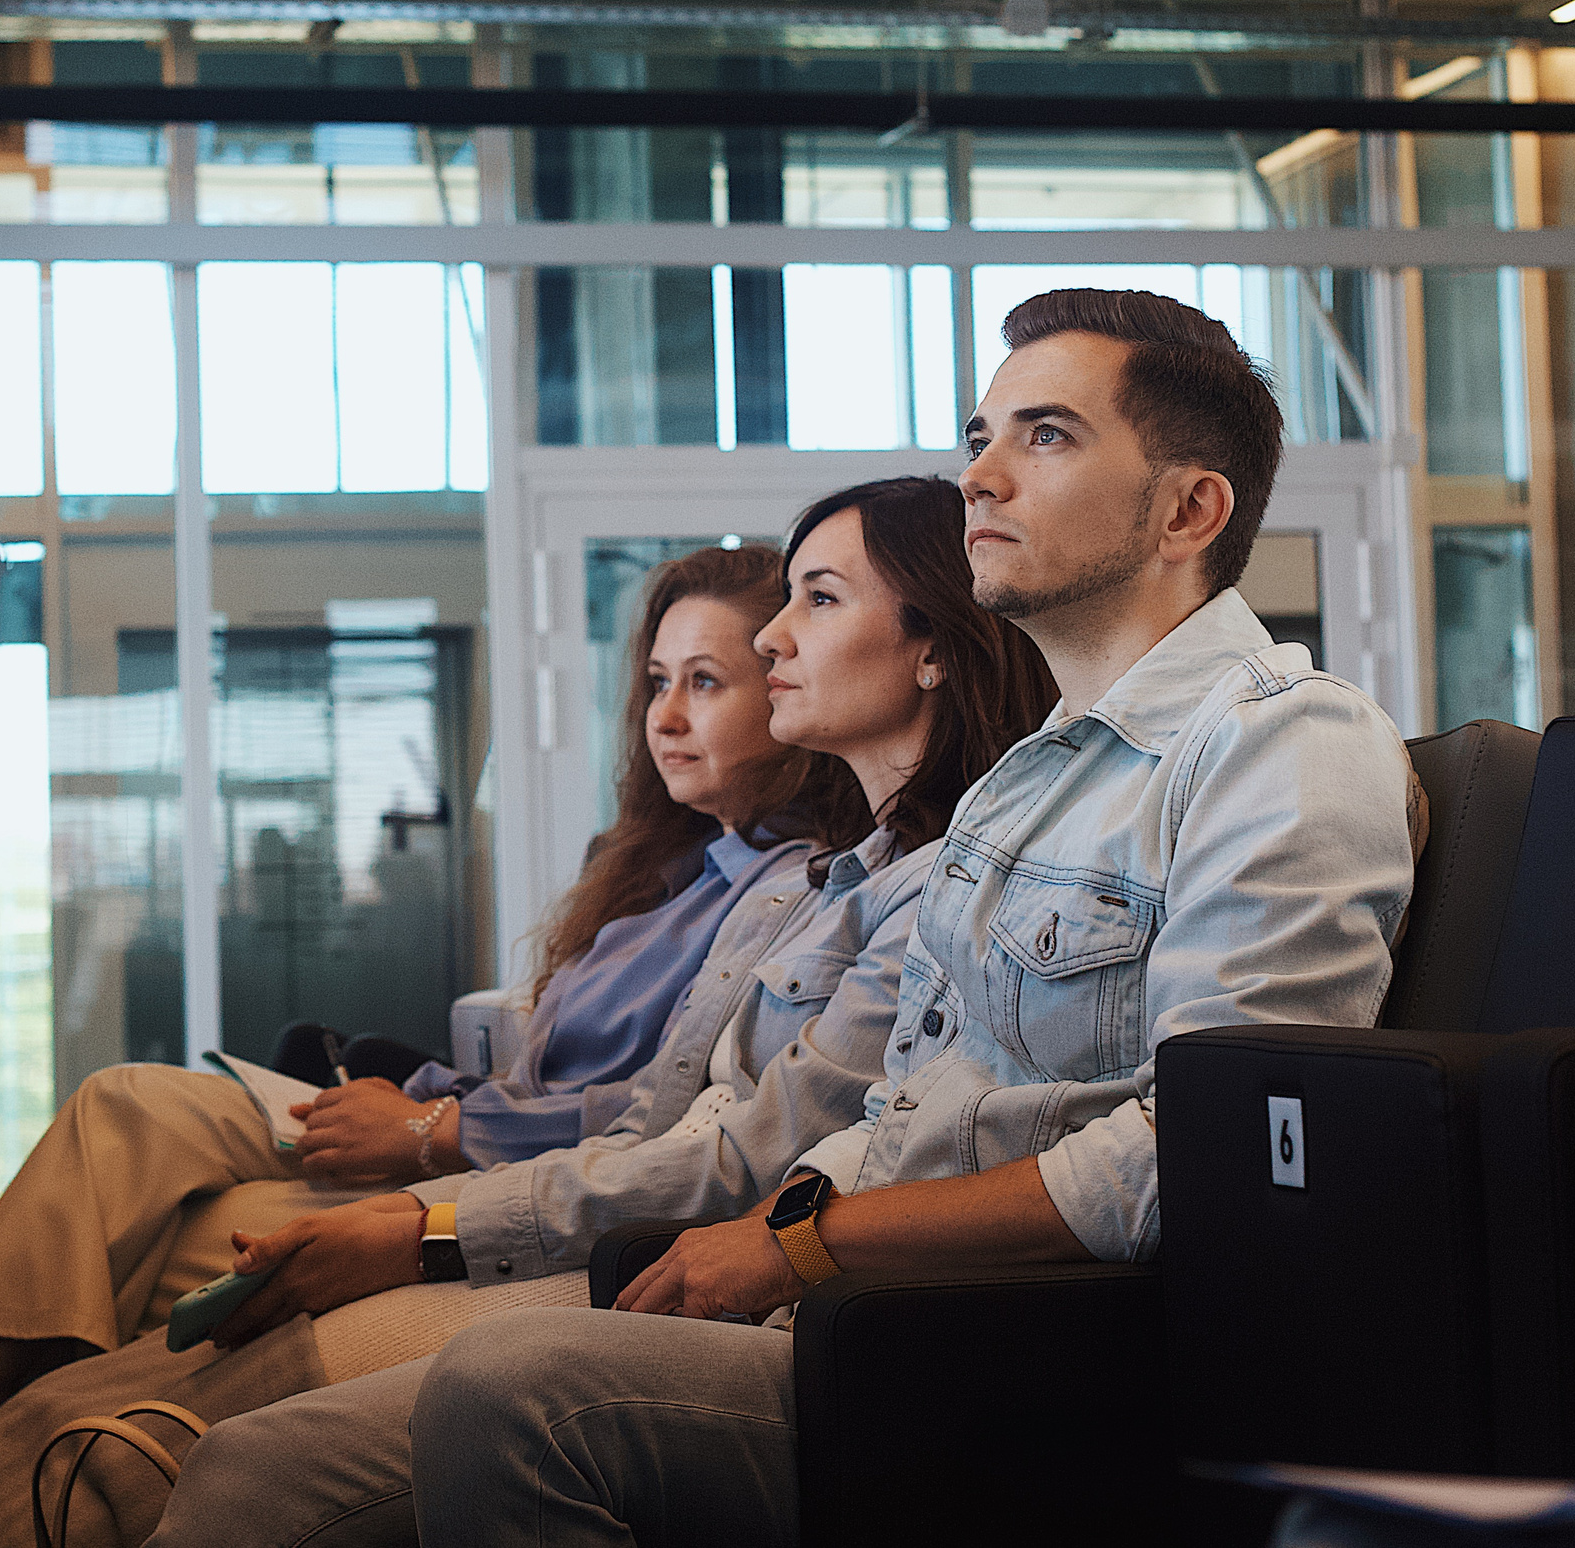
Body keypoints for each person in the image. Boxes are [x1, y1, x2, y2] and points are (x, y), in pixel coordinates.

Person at [151, 286, 1425, 1548]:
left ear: (1189, 510)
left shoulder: (1283, 742)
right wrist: (769, 1239)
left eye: (1045, 435)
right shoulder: (1024, 786)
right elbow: (903, 1113)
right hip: (851, 1308)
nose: (979, 475)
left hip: (996, 1354)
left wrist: (801, 1242)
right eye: (979, 435)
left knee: (506, 1389)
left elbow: (1197, 1155)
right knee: (255, 1466)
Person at [0, 475, 1054, 1548]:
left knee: (189, 1409)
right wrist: (433, 1178)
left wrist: (431, 1199)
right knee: (144, 1215)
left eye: (814, 602)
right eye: (663, 679)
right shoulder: (834, 880)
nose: (776, 638)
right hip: (623, 1223)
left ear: (935, 647)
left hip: (674, 1265)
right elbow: (680, 1125)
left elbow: (733, 1157)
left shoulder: (890, 886)